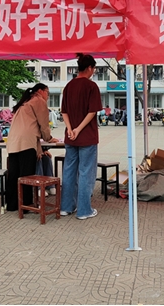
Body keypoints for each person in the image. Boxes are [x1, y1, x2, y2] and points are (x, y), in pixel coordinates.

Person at [60, 53, 103, 220]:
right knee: (86, 173)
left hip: (70, 137)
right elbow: (92, 112)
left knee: (69, 171)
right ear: (90, 68)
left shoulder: (68, 86)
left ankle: (66, 207)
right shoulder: (91, 86)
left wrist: (70, 129)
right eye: (94, 68)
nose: (94, 71)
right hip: (87, 136)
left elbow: (64, 111)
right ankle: (84, 210)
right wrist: (78, 129)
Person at [5, 83, 59, 212]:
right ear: (40, 91)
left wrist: (40, 149)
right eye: (47, 93)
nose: (48, 96)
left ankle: (12, 205)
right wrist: (48, 138)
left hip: (13, 142)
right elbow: (44, 124)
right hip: (26, 143)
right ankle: (26, 205)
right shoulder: (38, 101)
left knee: (14, 174)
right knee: (26, 175)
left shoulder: (25, 102)